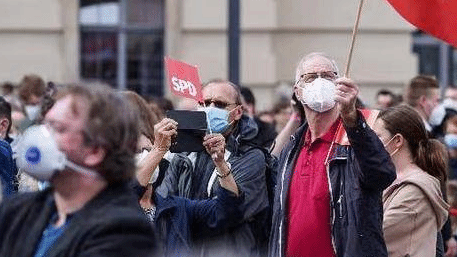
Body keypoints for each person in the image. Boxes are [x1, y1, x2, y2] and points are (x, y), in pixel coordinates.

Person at [0, 83, 156, 256]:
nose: (41, 136)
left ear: (95, 150)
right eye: (45, 125)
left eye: (57, 128)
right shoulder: (19, 210)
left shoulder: (124, 230)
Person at [269, 52, 396, 257]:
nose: (320, 82)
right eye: (310, 77)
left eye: (328, 76)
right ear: (298, 92)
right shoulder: (292, 148)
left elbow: (382, 175)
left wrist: (352, 119)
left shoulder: (355, 140)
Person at [158, 79, 270, 257]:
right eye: (205, 103)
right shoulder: (184, 155)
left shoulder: (251, 157)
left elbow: (227, 215)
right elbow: (163, 207)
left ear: (238, 112)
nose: (210, 108)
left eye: (219, 104)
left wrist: (182, 214)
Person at [135, 117, 245, 256]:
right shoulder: (113, 206)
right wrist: (159, 149)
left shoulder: (176, 208)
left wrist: (220, 163)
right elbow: (130, 192)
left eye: (148, 150)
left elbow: (227, 210)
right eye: (136, 152)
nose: (145, 155)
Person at [372, 104, 449, 257]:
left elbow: (374, 236)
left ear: (398, 141)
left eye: (377, 136)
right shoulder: (389, 180)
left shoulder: (415, 190)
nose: (372, 142)